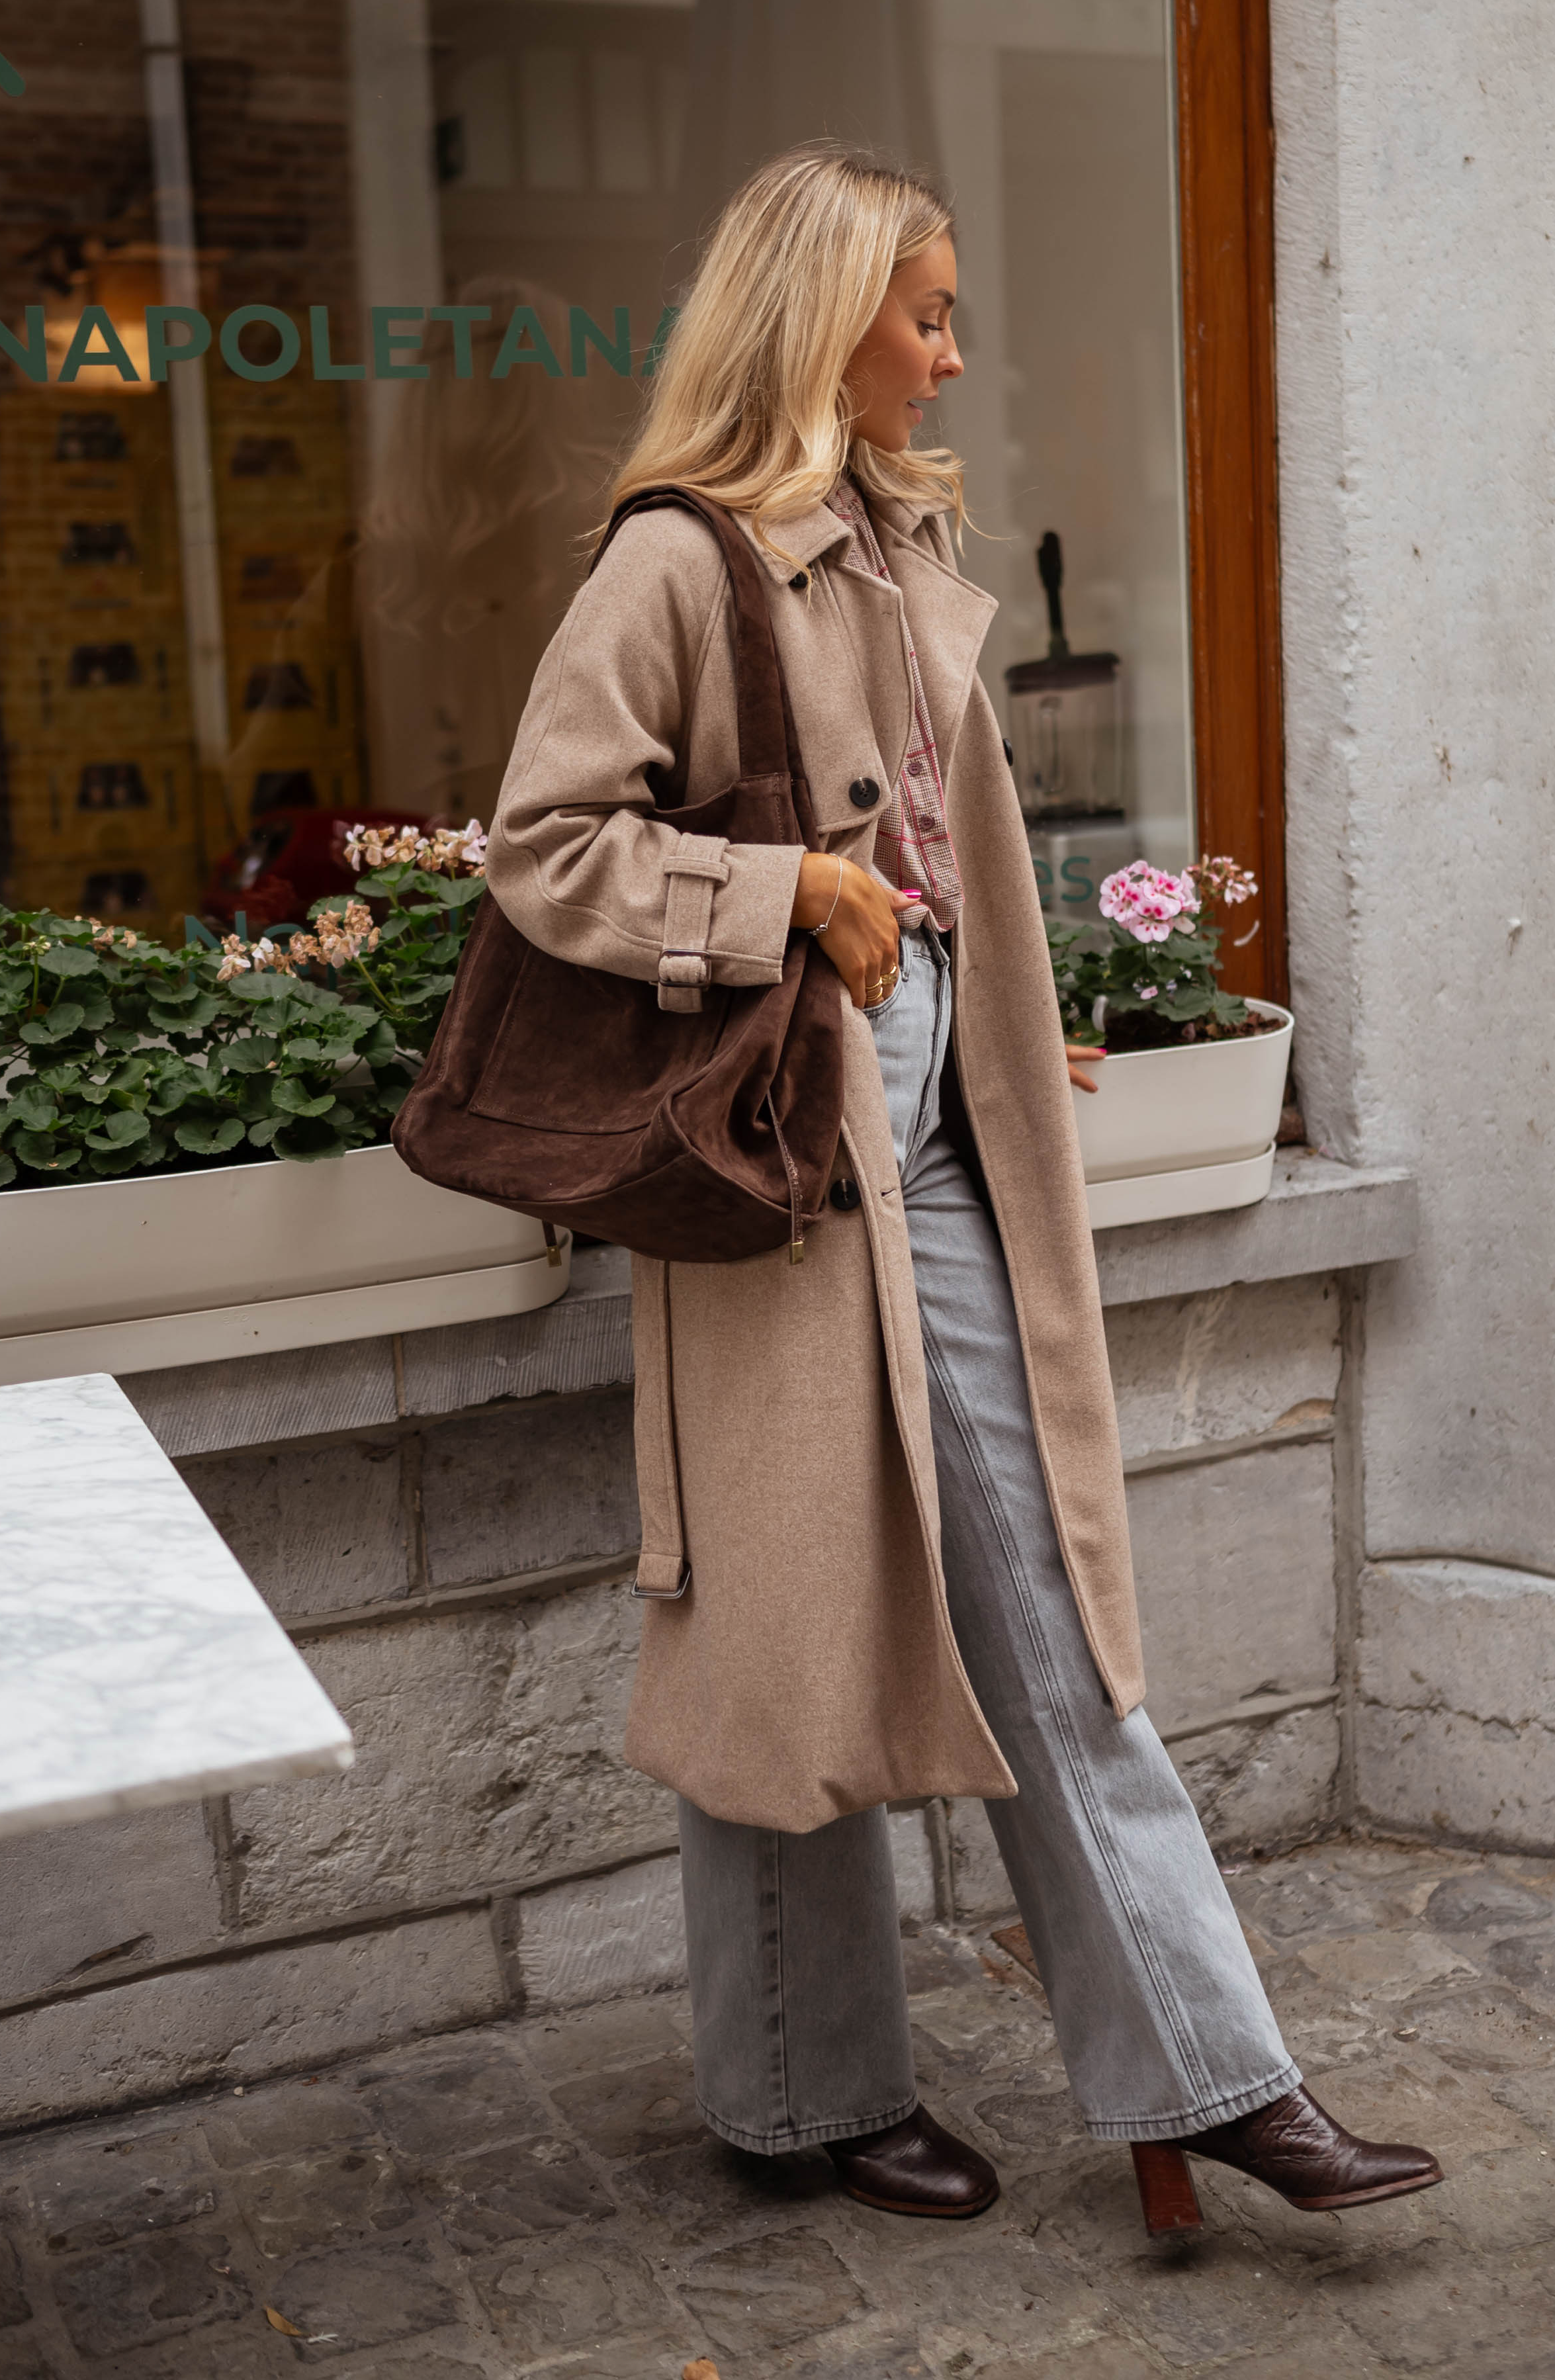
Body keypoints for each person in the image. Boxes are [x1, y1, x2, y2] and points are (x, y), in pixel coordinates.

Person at [486, 145, 1441, 2234]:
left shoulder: (908, 557)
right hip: (764, 1149)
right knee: (784, 1639)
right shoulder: (679, 559)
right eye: (924, 307)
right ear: (821, 319)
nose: (952, 345)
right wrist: (780, 894)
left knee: (1053, 1619)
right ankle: (801, 2092)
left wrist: (1002, 1026)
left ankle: (1217, 2075)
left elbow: (941, 865)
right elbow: (546, 846)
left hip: (929, 1122)